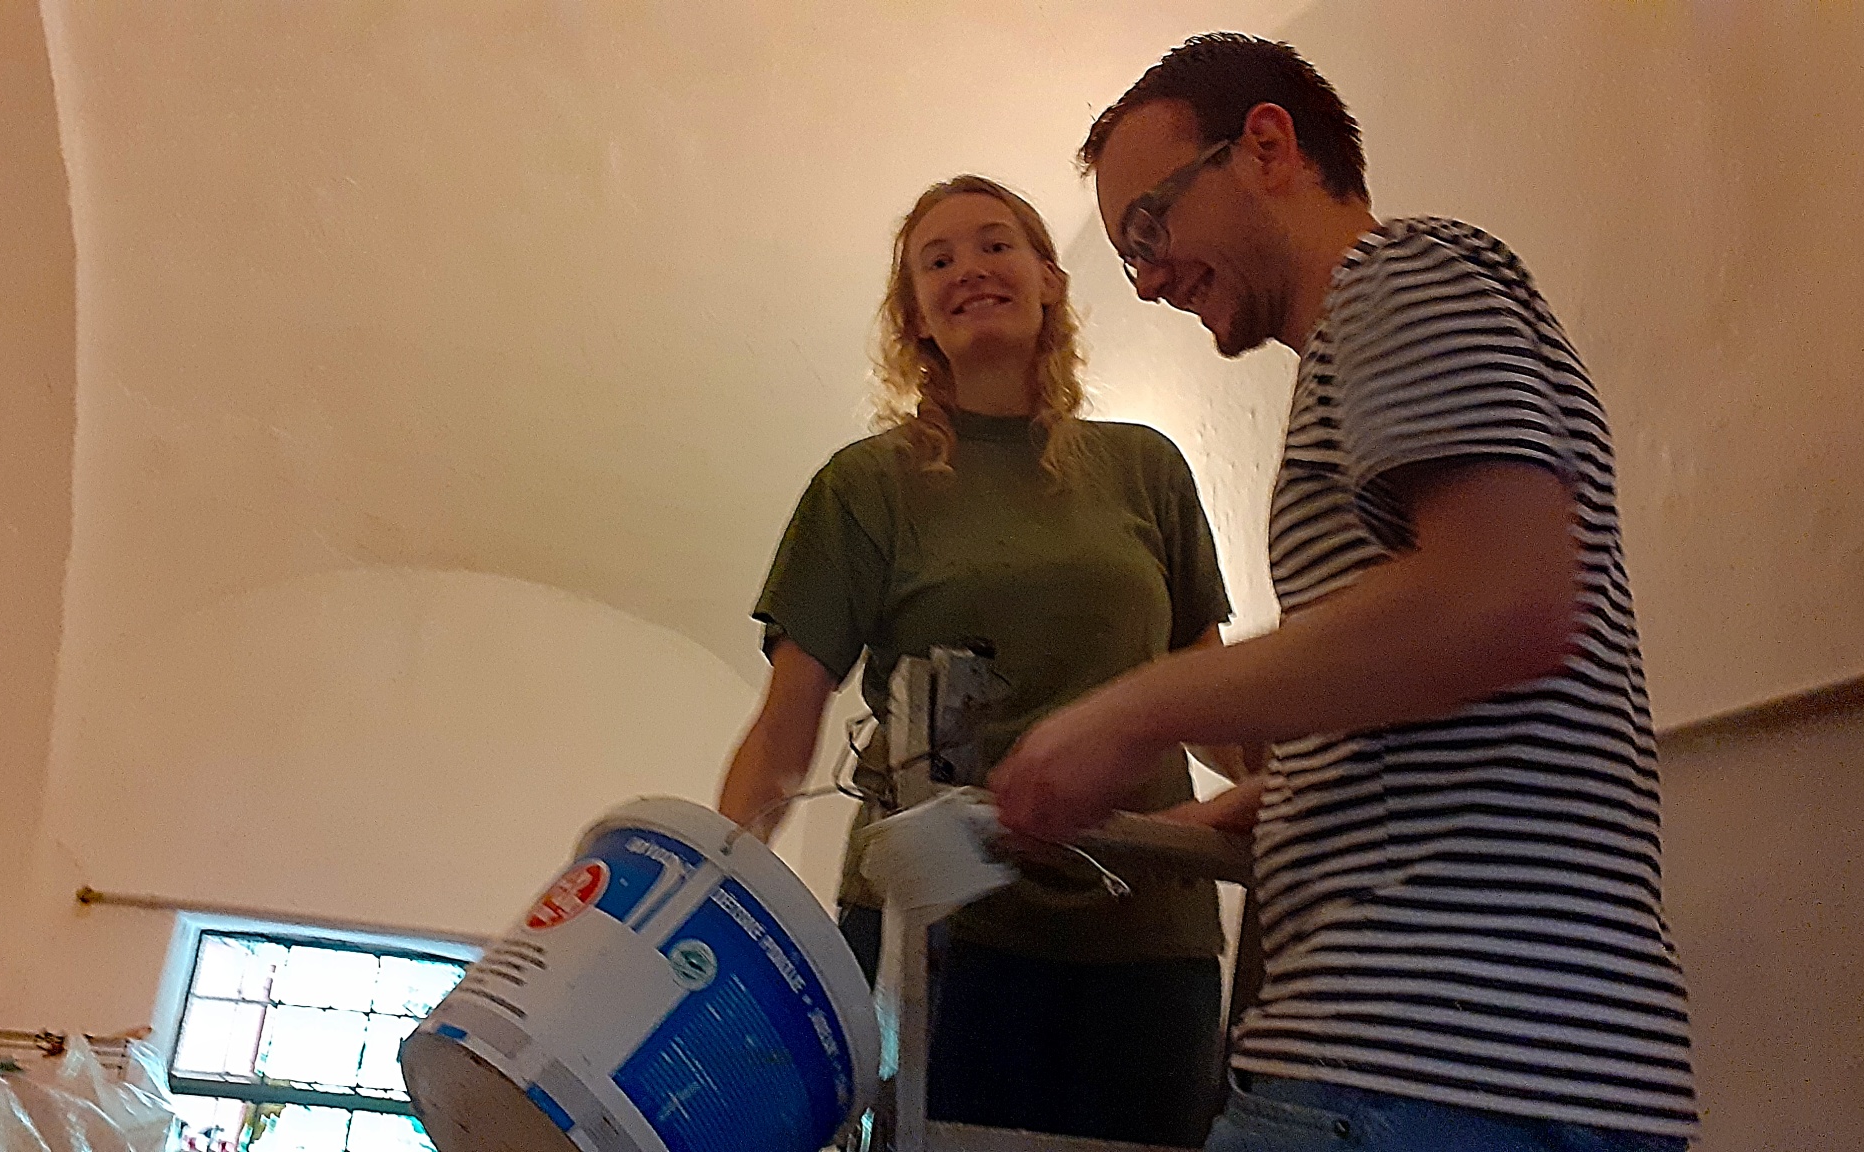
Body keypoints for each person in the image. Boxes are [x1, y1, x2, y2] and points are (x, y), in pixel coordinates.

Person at [990, 34, 1699, 1152]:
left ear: (1267, 147)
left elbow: (1505, 599)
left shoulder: (1400, 277)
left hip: (1419, 1066)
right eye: (1128, 255)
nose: (1150, 278)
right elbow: (1451, 690)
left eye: (1151, 227)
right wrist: (1215, 815)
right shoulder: (1384, 335)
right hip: (1511, 1070)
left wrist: (1134, 710)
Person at [716, 174, 1241, 1146]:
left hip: (1146, 925)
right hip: (938, 935)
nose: (969, 269)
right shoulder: (864, 487)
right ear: (914, 315)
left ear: (1049, 279)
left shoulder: (1146, 469)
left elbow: (1213, 703)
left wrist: (1310, 813)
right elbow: (785, 729)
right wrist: (707, 901)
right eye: (937, 260)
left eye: (995, 244)